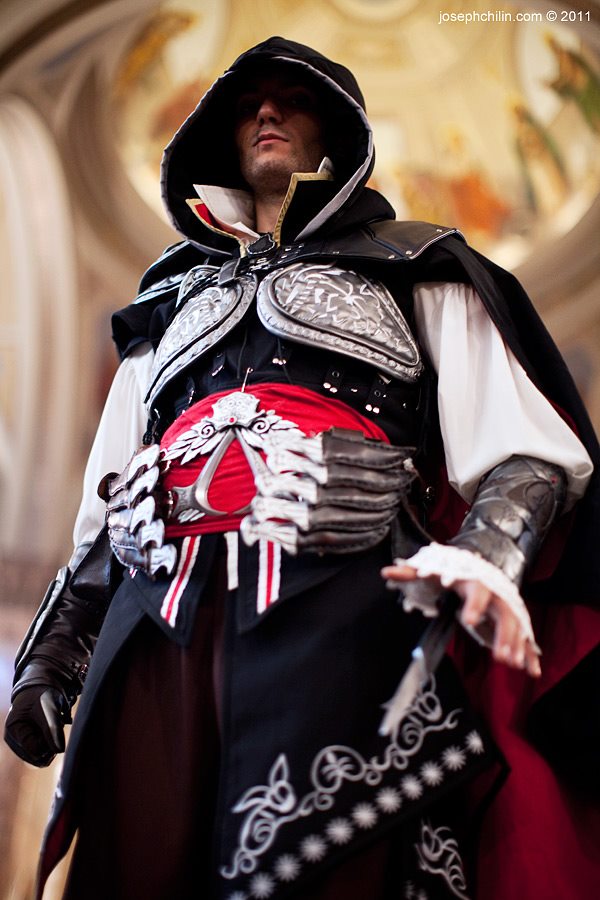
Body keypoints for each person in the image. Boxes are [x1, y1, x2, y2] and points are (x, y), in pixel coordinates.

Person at [5, 36, 600, 900]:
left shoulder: (419, 267)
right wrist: (50, 660)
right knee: (140, 861)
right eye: (248, 102)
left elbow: (526, 452)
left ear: (343, 132)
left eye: (295, 98)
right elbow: (106, 514)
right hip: (154, 627)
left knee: (330, 872)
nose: (268, 112)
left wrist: (484, 557)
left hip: (348, 611)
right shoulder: (161, 310)